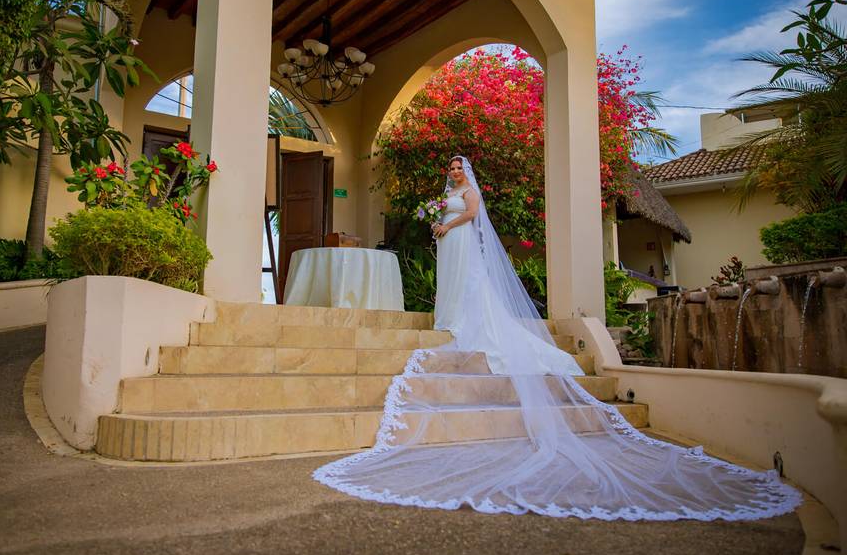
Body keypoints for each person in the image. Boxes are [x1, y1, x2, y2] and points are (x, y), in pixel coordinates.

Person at [313, 156, 800, 521]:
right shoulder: (444, 191)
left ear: (468, 173)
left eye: (460, 166)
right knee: (452, 285)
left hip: (461, 239)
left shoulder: (470, 195)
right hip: (448, 241)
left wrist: (449, 222)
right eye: (452, 167)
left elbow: (473, 216)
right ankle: (454, 321)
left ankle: (469, 325)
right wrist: (438, 225)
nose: (455, 171)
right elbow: (450, 215)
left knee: (470, 288)